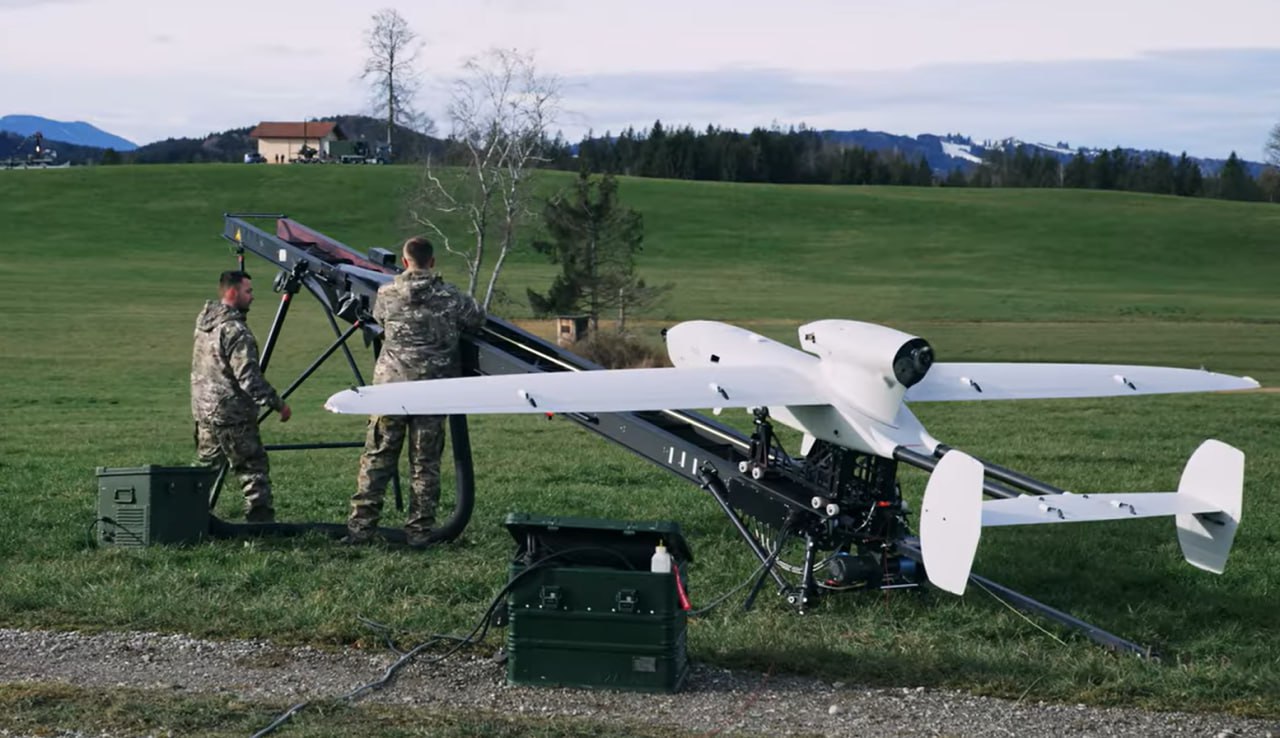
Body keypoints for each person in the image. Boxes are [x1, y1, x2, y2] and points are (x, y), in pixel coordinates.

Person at [347, 236, 485, 546]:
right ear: (432, 262)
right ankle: (419, 532)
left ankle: (361, 530)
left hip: (390, 390)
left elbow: (379, 320)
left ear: (406, 261)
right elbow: (477, 318)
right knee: (425, 464)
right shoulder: (451, 297)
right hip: (432, 392)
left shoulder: (386, 293)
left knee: (377, 458)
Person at [191, 270, 291, 522]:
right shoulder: (236, 332)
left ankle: (187, 517)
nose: (252, 297)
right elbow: (249, 379)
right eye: (249, 291)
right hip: (232, 414)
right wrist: (278, 404)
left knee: (204, 471)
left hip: (204, 411)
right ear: (233, 292)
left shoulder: (204, 323)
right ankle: (260, 525)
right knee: (252, 470)